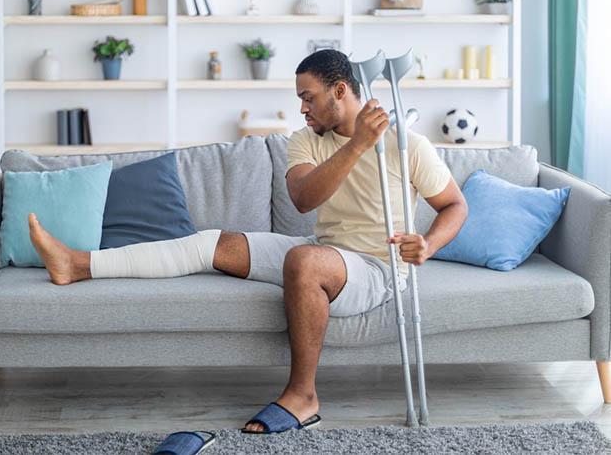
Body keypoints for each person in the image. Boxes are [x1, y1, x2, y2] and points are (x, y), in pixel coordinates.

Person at [28, 49, 468, 434]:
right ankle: (79, 265)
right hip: (327, 249)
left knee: (304, 261)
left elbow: (454, 206)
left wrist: (427, 245)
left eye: (308, 97)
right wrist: (356, 145)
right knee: (210, 244)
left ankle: (303, 397)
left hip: (378, 269)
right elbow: (303, 198)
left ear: (339, 91)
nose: (302, 109)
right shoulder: (306, 142)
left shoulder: (405, 144)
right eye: (299, 99)